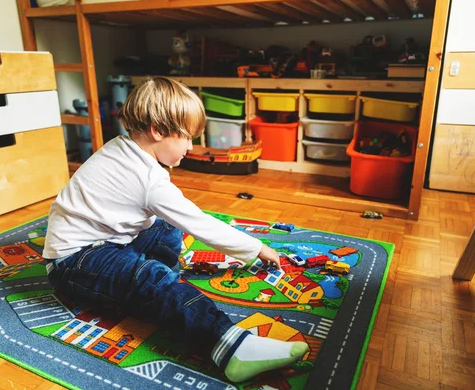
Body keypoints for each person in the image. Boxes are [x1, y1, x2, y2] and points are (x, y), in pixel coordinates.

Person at [43, 77, 309, 383]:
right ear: (159, 131)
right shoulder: (147, 179)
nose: (191, 147)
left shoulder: (122, 147)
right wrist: (255, 248)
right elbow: (199, 223)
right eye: (187, 138)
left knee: (165, 225)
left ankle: (161, 285)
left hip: (105, 244)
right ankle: (233, 348)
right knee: (151, 277)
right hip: (73, 265)